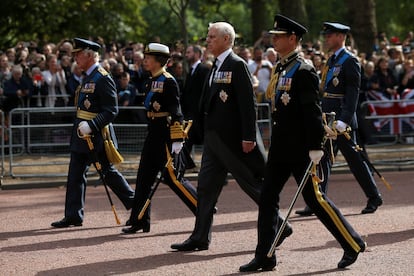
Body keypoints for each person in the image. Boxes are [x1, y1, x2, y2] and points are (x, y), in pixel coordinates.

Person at [240, 15, 367, 272]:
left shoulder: (304, 69)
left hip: (301, 149)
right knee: (267, 198)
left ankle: (352, 242)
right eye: (273, 36)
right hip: (280, 146)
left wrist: (316, 147)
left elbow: (311, 111)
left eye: (278, 36)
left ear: (292, 39)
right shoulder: (282, 66)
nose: (273, 40)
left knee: (315, 199)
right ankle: (265, 255)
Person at [170, 21, 278, 252]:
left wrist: (249, 136)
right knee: (206, 188)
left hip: (232, 141)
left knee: (250, 185)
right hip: (213, 140)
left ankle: (279, 224)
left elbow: (247, 105)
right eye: (207, 37)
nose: (207, 40)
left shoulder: (237, 65)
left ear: (226, 39)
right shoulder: (216, 66)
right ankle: (200, 236)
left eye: (212, 37)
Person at [296, 22, 383, 216]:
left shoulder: (349, 60)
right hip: (328, 118)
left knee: (355, 160)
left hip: (342, 121)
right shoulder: (332, 60)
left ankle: (374, 195)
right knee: (322, 159)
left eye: (330, 35)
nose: (326, 38)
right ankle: (318, 200)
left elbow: (352, 94)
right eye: (326, 35)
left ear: (341, 37)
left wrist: (344, 120)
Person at [51, 38, 135, 228]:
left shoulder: (102, 77)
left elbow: (111, 110)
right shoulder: (88, 77)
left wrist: (92, 125)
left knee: (108, 174)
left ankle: (137, 206)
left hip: (96, 137)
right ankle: (73, 215)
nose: (75, 58)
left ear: (89, 55)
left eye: (78, 54)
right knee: (75, 176)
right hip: (81, 137)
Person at [121, 43, 198, 234]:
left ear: (158, 61)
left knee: (173, 178)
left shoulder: (168, 81)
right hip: (152, 133)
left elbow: (177, 113)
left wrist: (177, 140)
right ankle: (139, 220)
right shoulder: (149, 80)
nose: (145, 60)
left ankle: (203, 208)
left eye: (148, 58)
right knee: (143, 178)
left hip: (165, 135)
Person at [181, 44, 210, 152]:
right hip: (189, 114)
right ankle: (186, 166)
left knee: (186, 142)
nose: (186, 55)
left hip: (197, 115)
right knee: (185, 142)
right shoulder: (191, 71)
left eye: (189, 52)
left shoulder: (203, 70)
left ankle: (184, 166)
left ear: (197, 54)